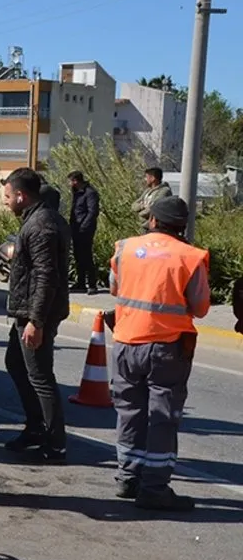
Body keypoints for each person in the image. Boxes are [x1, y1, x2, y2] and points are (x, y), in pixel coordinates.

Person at [108, 196, 208, 511]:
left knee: (130, 412)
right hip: (167, 348)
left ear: (152, 220)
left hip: (126, 342)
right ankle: (154, 489)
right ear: (182, 225)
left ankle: (128, 477)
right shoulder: (190, 256)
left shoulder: (125, 248)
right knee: (162, 417)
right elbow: (201, 308)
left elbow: (114, 288)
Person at [2, 167, 71, 463]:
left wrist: (36, 321)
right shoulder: (37, 219)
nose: (5, 201)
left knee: (40, 377)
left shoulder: (41, 225)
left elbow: (46, 276)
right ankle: (35, 428)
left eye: (7, 196)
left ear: (21, 195)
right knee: (15, 363)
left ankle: (55, 444)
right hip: (27, 310)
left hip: (36, 313)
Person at [67, 170, 100, 293]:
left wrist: (84, 226)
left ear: (75, 181)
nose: (69, 184)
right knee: (78, 256)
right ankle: (81, 283)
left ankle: (92, 284)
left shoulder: (90, 193)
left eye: (70, 181)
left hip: (85, 229)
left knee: (86, 255)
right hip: (76, 228)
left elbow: (93, 212)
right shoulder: (77, 193)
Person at [132, 167, 172, 232]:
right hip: (144, 228)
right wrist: (142, 206)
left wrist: (140, 214)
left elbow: (154, 208)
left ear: (153, 178)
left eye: (146, 177)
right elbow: (134, 205)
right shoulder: (147, 191)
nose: (145, 180)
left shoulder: (164, 191)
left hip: (155, 228)